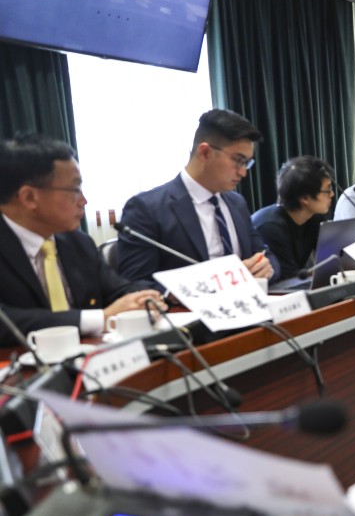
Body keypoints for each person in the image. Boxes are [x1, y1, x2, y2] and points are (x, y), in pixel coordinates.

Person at [0, 135, 163, 346]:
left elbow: (117, 290)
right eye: (75, 189)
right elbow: (7, 322)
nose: (83, 201)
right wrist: (99, 319)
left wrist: (143, 298)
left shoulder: (77, 242)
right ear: (29, 197)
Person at [118, 109, 278, 288]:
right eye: (238, 161)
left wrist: (265, 268)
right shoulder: (146, 209)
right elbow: (134, 285)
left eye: (247, 163)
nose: (243, 172)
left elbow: (266, 255)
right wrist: (207, 285)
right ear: (205, 153)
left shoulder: (236, 203)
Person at [251, 156, 336, 281]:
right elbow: (288, 278)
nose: (332, 194)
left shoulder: (315, 217)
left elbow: (330, 260)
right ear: (305, 198)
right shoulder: (270, 227)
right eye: (327, 190)